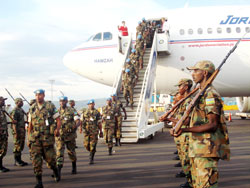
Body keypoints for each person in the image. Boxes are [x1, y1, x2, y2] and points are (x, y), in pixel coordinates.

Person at [173, 61, 230, 188]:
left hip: (206, 150)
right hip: (197, 149)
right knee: (197, 184)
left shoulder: (210, 94)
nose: (192, 74)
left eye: (195, 71)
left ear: (204, 73)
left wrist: (185, 130)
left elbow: (213, 124)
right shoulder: (200, 93)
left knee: (205, 185)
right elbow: (195, 120)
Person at [27, 89, 61, 188]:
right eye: (36, 95)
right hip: (35, 139)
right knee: (36, 161)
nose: (38, 97)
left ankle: (55, 171)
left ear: (44, 95)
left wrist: (57, 129)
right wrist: (28, 138)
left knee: (50, 160)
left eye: (40, 95)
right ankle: (39, 182)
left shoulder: (50, 106)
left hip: (47, 138)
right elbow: (30, 124)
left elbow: (58, 120)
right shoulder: (32, 108)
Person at [168, 79, 193, 188]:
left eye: (180, 87)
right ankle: (188, 177)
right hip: (181, 135)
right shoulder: (184, 103)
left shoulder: (188, 102)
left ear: (186, 87)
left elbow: (185, 121)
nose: (178, 90)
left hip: (186, 135)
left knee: (188, 158)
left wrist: (170, 119)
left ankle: (190, 181)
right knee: (184, 157)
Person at [56, 96, 80, 176]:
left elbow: (78, 120)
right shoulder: (56, 111)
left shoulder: (72, 110)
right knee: (59, 153)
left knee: (71, 152)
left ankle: (74, 166)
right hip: (60, 136)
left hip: (70, 136)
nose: (62, 102)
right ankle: (58, 171)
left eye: (63, 101)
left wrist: (76, 126)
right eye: (60, 101)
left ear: (66, 102)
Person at [80, 99, 103, 164]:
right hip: (86, 131)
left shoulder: (97, 112)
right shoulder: (85, 112)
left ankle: (91, 157)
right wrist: (80, 128)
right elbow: (81, 121)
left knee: (93, 145)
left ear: (94, 104)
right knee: (86, 145)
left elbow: (99, 123)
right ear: (88, 105)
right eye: (90, 104)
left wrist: (101, 131)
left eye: (92, 104)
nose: (91, 105)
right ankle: (91, 151)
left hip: (94, 131)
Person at [10, 98, 28, 166]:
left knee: (21, 145)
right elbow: (14, 122)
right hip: (17, 131)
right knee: (17, 145)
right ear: (17, 102)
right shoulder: (15, 111)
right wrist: (15, 132)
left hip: (22, 130)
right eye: (21, 102)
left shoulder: (20, 110)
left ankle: (19, 159)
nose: (22, 103)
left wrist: (24, 122)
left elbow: (20, 120)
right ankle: (17, 160)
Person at [0, 96, 10, 173]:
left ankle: (1, 165)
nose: (4, 102)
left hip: (3, 133)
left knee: (3, 150)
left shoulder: (2, 110)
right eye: (2, 101)